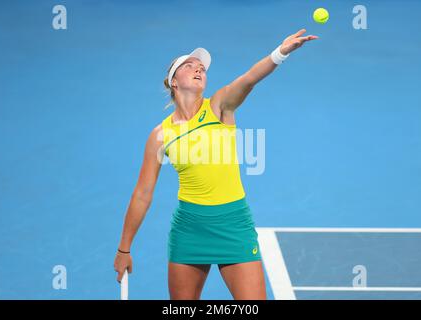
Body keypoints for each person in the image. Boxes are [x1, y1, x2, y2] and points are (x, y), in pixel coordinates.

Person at [114, 29, 318, 300]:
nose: (198, 69)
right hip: (189, 229)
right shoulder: (160, 135)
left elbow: (249, 79)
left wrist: (280, 53)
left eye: (202, 68)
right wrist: (124, 248)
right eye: (189, 66)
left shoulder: (220, 106)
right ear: (173, 82)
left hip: (233, 225)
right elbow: (142, 194)